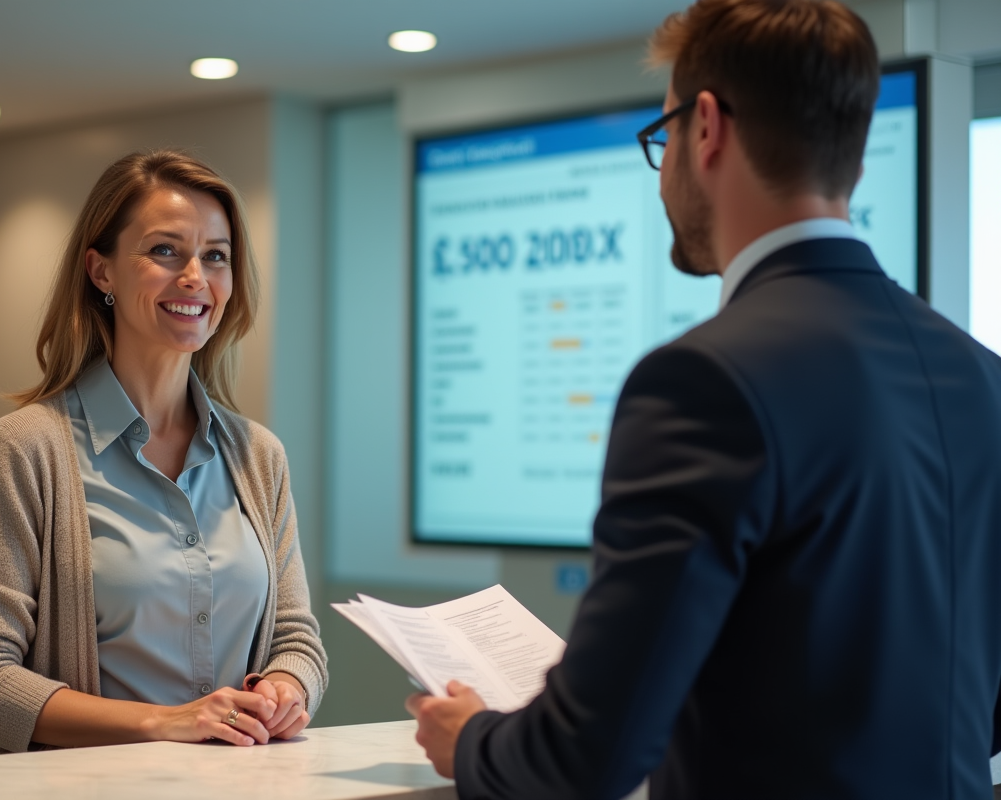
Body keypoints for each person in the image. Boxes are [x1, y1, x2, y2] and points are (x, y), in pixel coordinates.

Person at [407, 1, 1001, 798]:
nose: (664, 174)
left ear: (707, 127)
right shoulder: (981, 375)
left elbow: (590, 755)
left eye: (664, 137)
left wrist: (473, 740)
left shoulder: (703, 380)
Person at [0, 150, 327, 755]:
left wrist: (285, 688)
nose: (195, 277)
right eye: (165, 251)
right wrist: (165, 721)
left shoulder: (259, 456)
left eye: (216, 256)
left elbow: (295, 639)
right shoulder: (26, 448)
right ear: (102, 272)